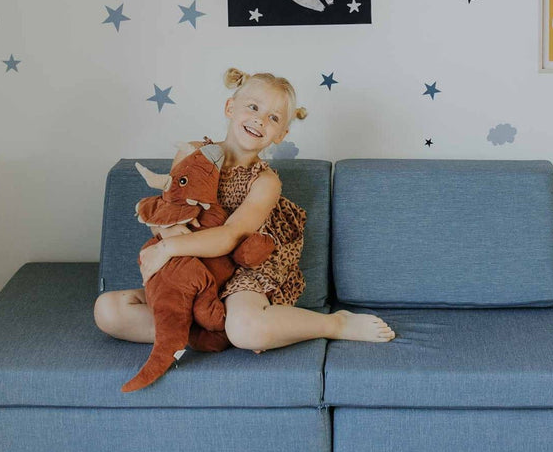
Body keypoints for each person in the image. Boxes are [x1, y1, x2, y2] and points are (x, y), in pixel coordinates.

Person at [93, 68, 395, 352]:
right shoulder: (191, 154)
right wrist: (167, 236)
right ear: (230, 107)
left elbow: (231, 236)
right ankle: (206, 328)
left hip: (242, 269)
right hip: (193, 267)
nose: (260, 120)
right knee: (108, 311)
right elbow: (171, 208)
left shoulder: (265, 182)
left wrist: (170, 247)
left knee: (246, 329)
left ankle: (334, 323)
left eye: (273, 117)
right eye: (253, 107)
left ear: (281, 134)